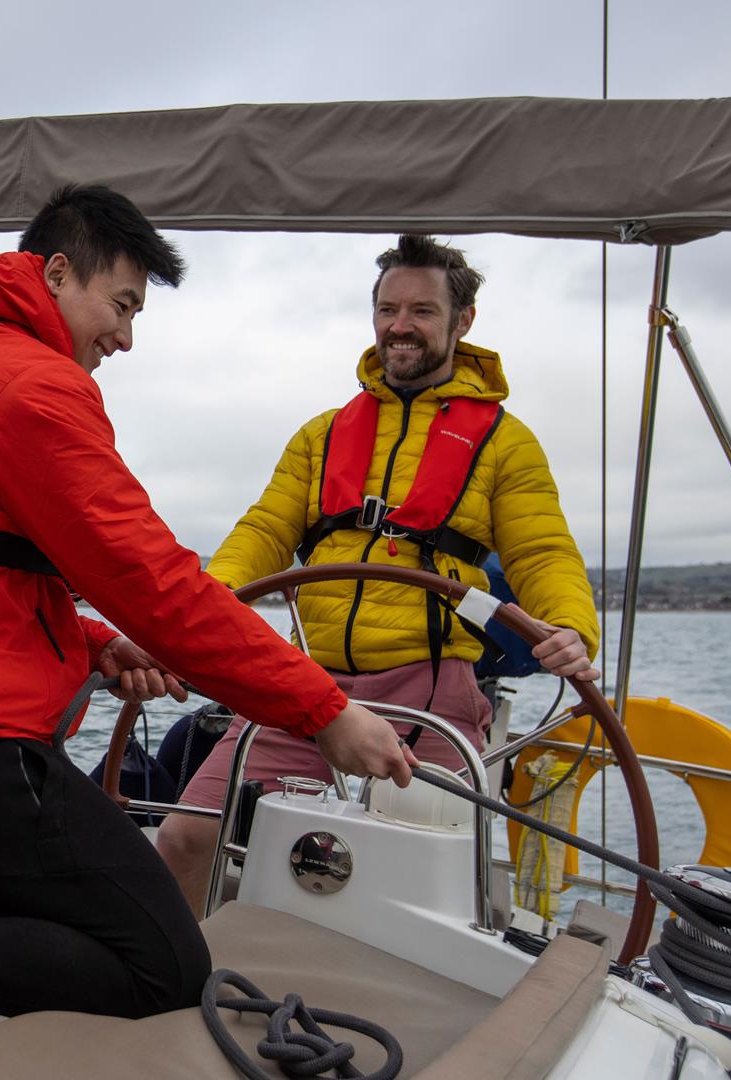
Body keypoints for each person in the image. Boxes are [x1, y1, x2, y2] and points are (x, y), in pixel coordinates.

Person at [0, 185, 418, 1080]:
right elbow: (154, 580)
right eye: (122, 305)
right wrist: (322, 710)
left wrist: (96, 645)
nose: (126, 337)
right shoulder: (31, 385)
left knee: (115, 929)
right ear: (56, 273)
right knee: (162, 966)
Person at [154, 235, 601, 915]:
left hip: (429, 690)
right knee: (186, 839)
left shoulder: (505, 443)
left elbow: (542, 554)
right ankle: (175, 994)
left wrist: (570, 625)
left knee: (422, 884)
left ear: (464, 320)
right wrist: (206, 605)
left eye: (422, 310)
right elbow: (264, 531)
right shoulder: (321, 435)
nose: (400, 325)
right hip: (308, 688)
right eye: (388, 308)